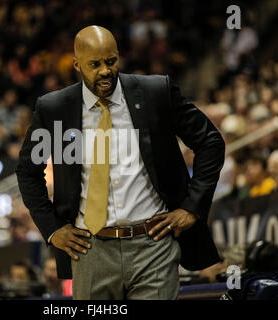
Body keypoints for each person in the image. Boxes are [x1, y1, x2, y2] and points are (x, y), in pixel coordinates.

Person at [16, 26, 225, 300]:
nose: (105, 71)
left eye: (111, 61)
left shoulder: (155, 92)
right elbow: (28, 172)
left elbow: (210, 142)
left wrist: (191, 208)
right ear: (77, 65)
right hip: (89, 249)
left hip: (154, 245)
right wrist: (53, 228)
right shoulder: (54, 109)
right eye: (95, 64)